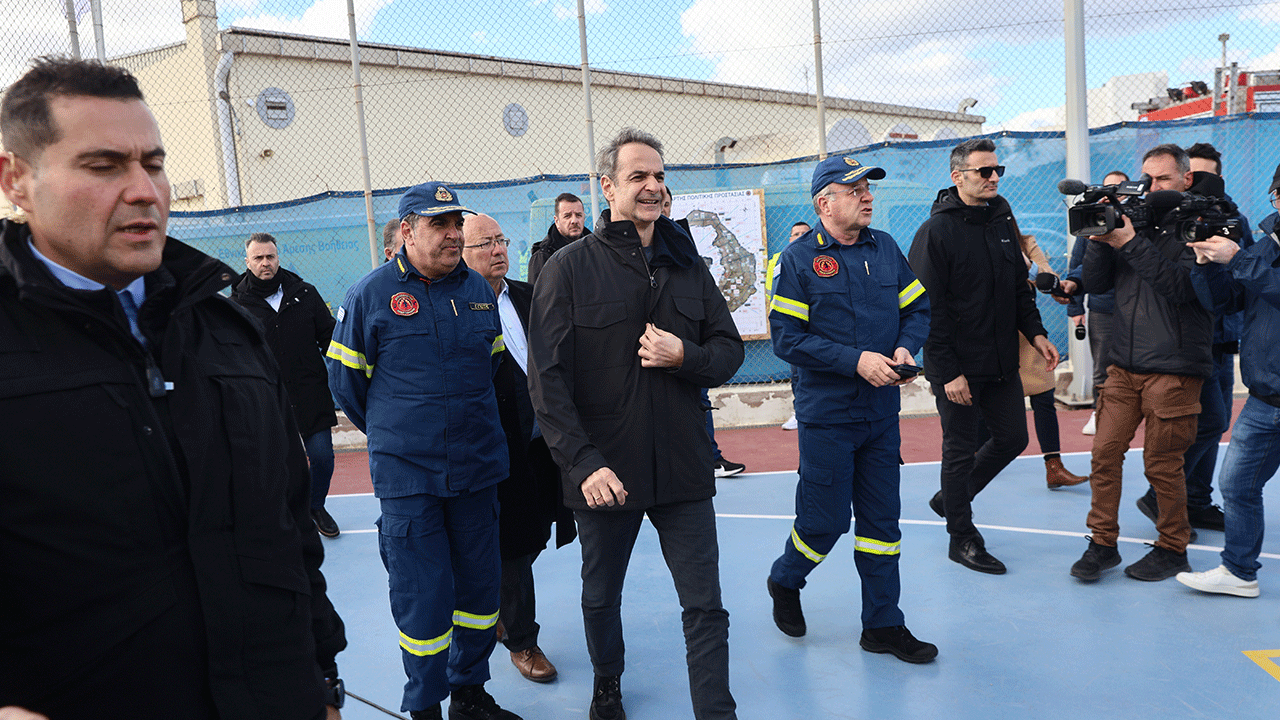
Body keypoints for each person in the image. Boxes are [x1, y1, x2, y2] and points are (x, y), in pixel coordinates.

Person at [0, 57, 345, 719]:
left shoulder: (228, 331)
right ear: (16, 179)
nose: (144, 191)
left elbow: (288, 528)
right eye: (103, 166)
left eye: (152, 163)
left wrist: (322, 677)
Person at [527, 127, 744, 720]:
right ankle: (607, 684)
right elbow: (546, 380)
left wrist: (686, 357)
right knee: (600, 597)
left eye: (659, 176)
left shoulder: (688, 267)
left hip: (683, 465)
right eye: (637, 177)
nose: (652, 187)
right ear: (607, 187)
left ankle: (716, 712)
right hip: (605, 472)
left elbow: (728, 351)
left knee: (705, 605)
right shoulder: (568, 270)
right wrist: (583, 461)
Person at [326, 182, 519, 720]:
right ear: (406, 231)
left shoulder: (479, 292)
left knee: (481, 597)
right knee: (425, 602)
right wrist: (400, 433)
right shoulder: (369, 295)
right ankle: (427, 707)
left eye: (457, 224)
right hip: (410, 482)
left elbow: (494, 363)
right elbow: (347, 386)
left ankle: (470, 695)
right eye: (440, 224)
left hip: (477, 472)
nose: (454, 234)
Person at [764, 154, 936, 663]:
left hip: (880, 415)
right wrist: (855, 361)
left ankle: (883, 624)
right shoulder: (798, 260)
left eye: (868, 188)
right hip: (828, 416)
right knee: (825, 521)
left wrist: (906, 347)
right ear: (825, 202)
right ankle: (785, 579)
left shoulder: (884, 248)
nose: (867, 196)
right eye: (854, 187)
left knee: (882, 525)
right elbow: (786, 338)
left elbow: (917, 309)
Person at [1070, 143, 1229, 583]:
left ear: (1186, 179)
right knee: (1104, 454)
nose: (1151, 188)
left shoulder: (1202, 225)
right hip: (1123, 362)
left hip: (1175, 368)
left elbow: (1180, 287)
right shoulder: (1134, 221)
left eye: (1162, 179)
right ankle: (1102, 544)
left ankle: (1173, 547)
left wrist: (1130, 240)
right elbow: (1099, 284)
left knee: (1162, 463)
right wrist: (1103, 236)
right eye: (1147, 179)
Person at [908, 138, 1059, 575]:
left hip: (1000, 361)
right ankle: (962, 537)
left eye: (998, 170)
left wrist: (1036, 334)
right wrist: (949, 372)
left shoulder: (1001, 219)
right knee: (958, 450)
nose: (994, 177)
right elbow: (925, 308)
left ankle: (951, 499)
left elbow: (1017, 287)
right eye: (984, 171)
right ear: (958, 178)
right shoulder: (937, 231)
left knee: (1013, 438)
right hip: (958, 368)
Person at [460, 214, 576, 683]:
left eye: (501, 240)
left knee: (533, 539)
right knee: (512, 549)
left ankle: (492, 605)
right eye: (484, 243)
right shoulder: (456, 305)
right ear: (462, 252)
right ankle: (522, 640)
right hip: (493, 454)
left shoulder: (530, 295)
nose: (497, 250)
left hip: (547, 447)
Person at [1131, 142, 1251, 536]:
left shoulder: (1230, 218)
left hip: (1222, 339)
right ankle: (1162, 495)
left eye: (1204, 178)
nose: (1194, 187)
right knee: (1204, 421)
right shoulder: (1158, 218)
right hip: (1185, 341)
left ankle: (1195, 500)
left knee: (1214, 424)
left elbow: (1243, 272)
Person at [1176, 203, 1280, 597]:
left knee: (1239, 484)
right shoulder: (1266, 247)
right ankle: (1239, 571)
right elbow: (1224, 303)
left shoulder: (1252, 255)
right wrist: (1205, 265)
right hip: (1264, 399)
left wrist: (1238, 259)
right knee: (1237, 485)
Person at [231, 233, 342, 538]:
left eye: (270, 257)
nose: (265, 263)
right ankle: (283, 515)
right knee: (274, 465)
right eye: (258, 258)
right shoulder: (236, 305)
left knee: (322, 458)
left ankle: (315, 506)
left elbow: (330, 339)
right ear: (247, 262)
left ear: (278, 258)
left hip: (311, 394)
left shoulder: (304, 293)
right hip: (266, 400)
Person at [662, 184, 746, 477]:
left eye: (667, 203)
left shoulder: (683, 247)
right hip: (654, 351)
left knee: (700, 399)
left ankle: (711, 459)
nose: (661, 207)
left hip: (686, 348)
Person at [1016, 234, 1088, 489]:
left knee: (1044, 397)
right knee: (987, 404)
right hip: (989, 335)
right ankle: (975, 458)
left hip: (1029, 334)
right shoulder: (975, 240)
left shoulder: (1025, 242)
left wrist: (1031, 266)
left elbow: (1047, 277)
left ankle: (1054, 467)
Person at [1067, 170, 1128, 436]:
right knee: (1102, 369)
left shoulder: (1137, 221)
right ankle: (1099, 414)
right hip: (1102, 310)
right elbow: (1078, 267)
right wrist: (1075, 307)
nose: (1112, 194)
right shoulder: (1091, 221)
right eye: (1107, 188)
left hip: (1138, 310)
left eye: (1118, 189)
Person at [770, 220, 812, 431]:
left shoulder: (817, 260)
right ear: (790, 238)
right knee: (796, 375)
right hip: (792, 328)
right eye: (795, 234)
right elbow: (772, 293)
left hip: (812, 329)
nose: (799, 237)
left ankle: (809, 413)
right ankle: (800, 413)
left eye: (804, 233)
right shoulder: (778, 261)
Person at [527, 192, 588, 287]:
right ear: (557, 221)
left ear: (584, 218)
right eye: (567, 216)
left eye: (578, 215)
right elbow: (537, 298)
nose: (574, 221)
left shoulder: (595, 249)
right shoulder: (543, 257)